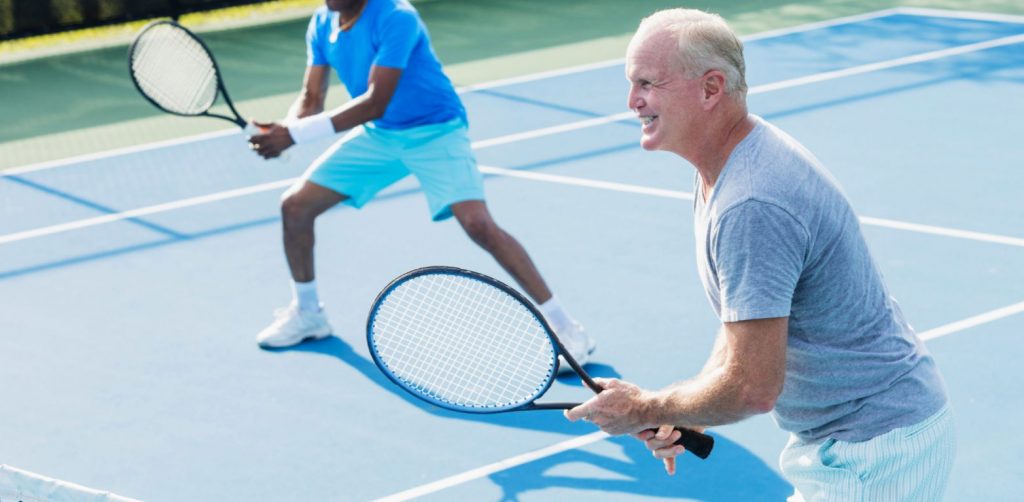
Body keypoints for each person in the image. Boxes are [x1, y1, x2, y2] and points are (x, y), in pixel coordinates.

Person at [563, 8, 954, 500]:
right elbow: (741, 325)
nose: (632, 101)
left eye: (647, 83)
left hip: (874, 452)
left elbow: (753, 388)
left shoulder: (751, 202)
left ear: (710, 89)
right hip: (851, 444)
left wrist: (647, 408)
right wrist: (682, 411)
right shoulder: (724, 165)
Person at [247, 0, 595, 371]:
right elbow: (312, 99)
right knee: (295, 206)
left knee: (479, 226)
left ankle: (567, 329)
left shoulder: (397, 17)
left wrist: (295, 135)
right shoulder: (322, 22)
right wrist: (282, 130)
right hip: (381, 137)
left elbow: (376, 102)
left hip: (435, 130)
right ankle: (308, 312)